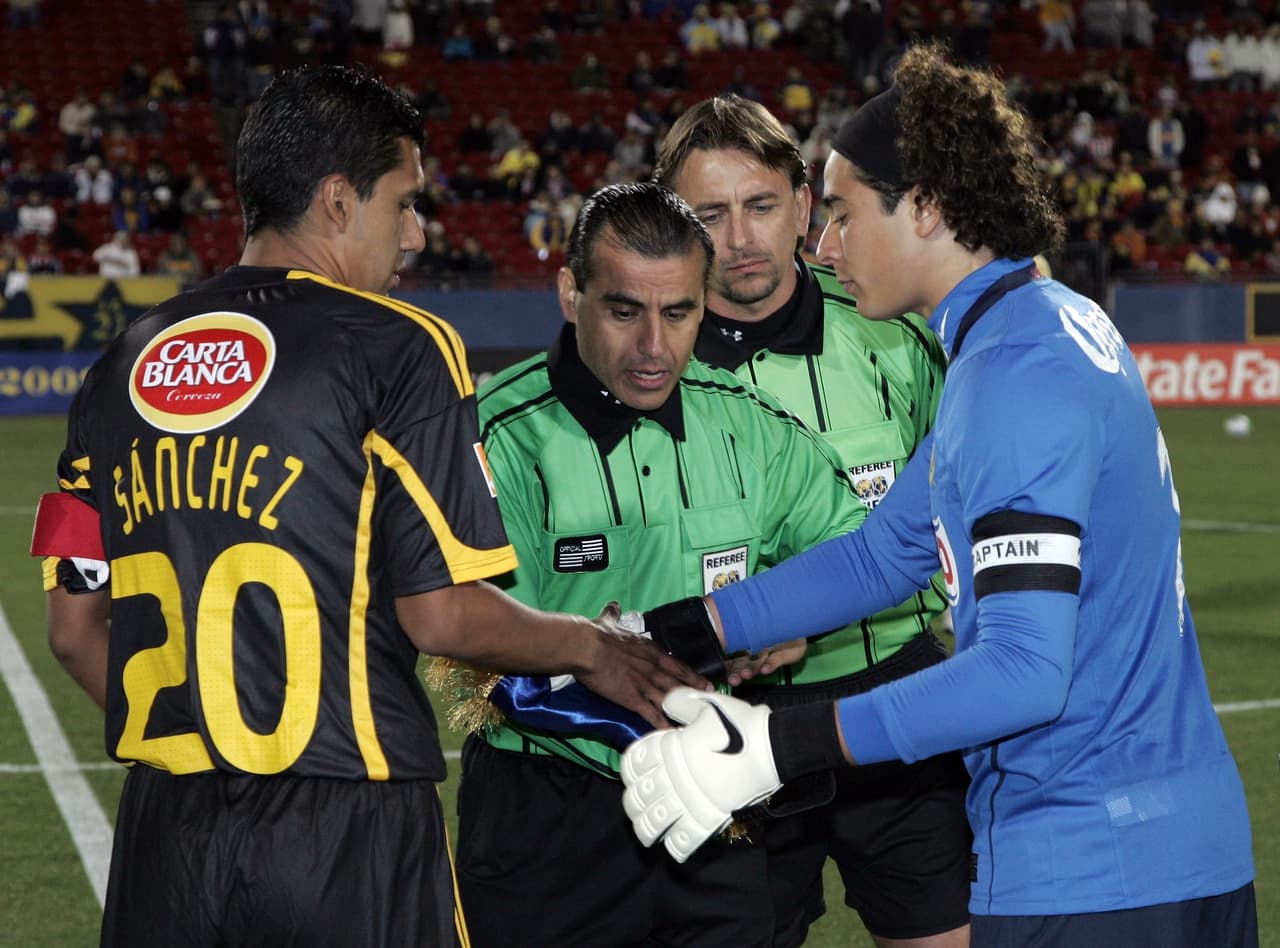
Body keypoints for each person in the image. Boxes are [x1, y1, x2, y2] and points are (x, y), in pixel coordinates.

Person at [30, 65, 701, 948]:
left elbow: (75, 629)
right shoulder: (400, 346)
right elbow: (441, 612)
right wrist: (594, 646)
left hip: (166, 841)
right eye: (405, 202)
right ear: (339, 201)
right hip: (346, 830)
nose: (417, 233)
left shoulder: (118, 365)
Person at [620, 43, 1258, 947]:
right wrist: (665, 633)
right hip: (1163, 845)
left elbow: (1023, 670)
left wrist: (774, 750)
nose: (824, 244)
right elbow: (884, 555)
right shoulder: (1037, 327)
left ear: (923, 207)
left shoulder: (1013, 372)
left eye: (843, 213)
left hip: (1091, 864)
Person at [450, 182, 870, 947]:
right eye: (624, 311)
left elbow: (857, 549)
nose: (654, 346)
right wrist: (634, 682)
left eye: (678, 313)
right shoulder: (496, 437)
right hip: (545, 823)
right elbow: (475, 641)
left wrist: (791, 618)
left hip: (713, 814)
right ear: (570, 295)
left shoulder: (747, 425)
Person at [652, 93, 969, 948]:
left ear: (802, 204)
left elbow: (959, 509)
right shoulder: (649, 361)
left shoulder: (893, 332)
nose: (740, 237)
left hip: (898, 696)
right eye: (708, 215)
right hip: (723, 719)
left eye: (760, 205)